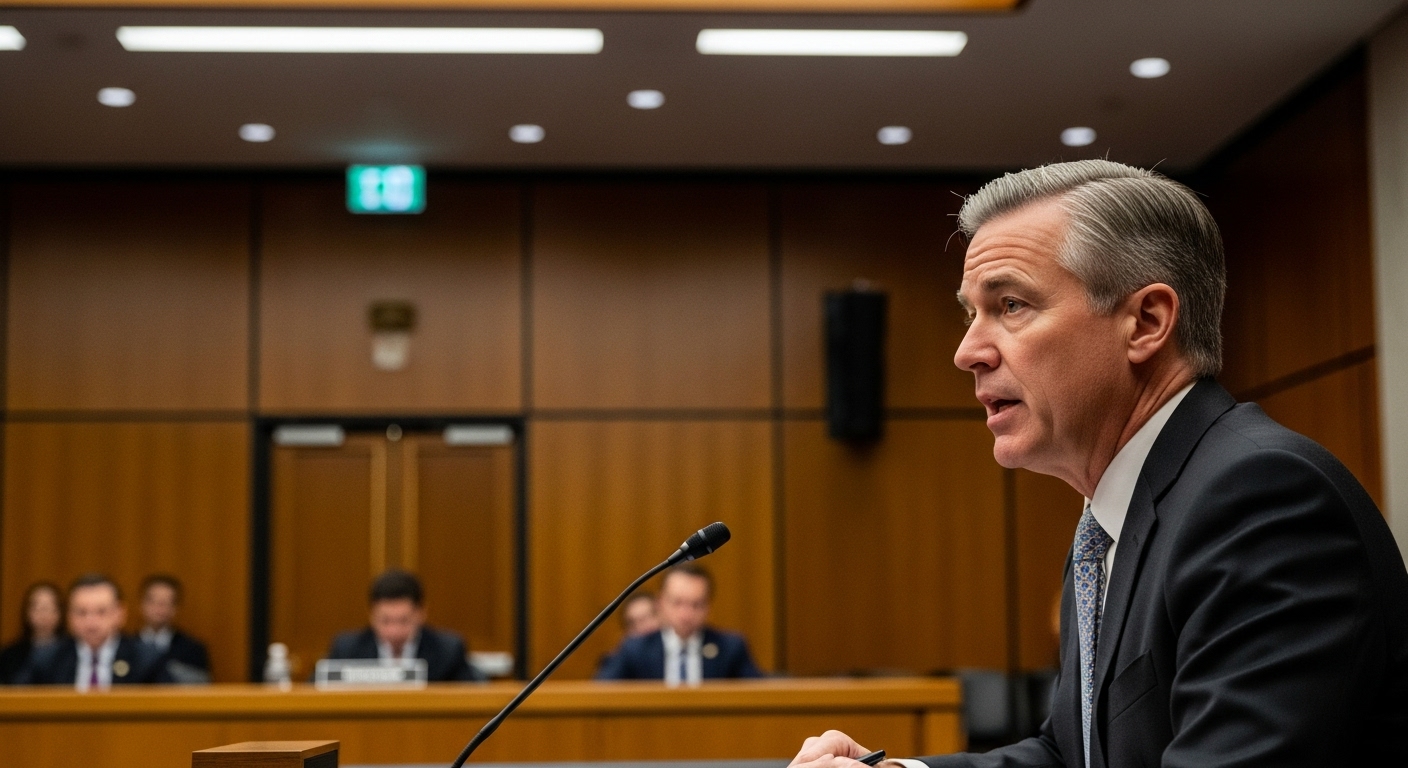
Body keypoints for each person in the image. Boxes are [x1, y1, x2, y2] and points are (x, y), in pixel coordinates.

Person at [788, 160, 1408, 768]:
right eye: (970, 313)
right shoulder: (1111, 523)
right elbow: (1071, 753)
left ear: (1146, 322)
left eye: (1011, 305)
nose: (967, 351)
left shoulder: (1261, 502)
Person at [595, 564, 762, 683]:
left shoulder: (730, 648)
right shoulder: (636, 649)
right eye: (677, 603)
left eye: (696, 605)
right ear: (661, 603)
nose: (686, 614)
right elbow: (601, 693)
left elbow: (758, 695)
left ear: (708, 607)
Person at [323, 569, 481, 682]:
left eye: (404, 621)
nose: (394, 631)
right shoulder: (346, 650)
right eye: (385, 621)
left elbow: (472, 699)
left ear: (421, 613)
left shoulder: (448, 651)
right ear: (371, 616)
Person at [21, 574, 172, 688]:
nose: (91, 623)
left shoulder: (146, 659)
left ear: (120, 614)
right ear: (69, 616)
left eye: (101, 612)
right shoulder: (48, 659)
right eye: (82, 612)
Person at [138, 574, 211, 683]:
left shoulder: (192, 649)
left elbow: (201, 686)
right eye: (153, 601)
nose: (159, 608)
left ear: (175, 608)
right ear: (142, 604)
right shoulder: (124, 646)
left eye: (166, 602)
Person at [0, 582, 65, 684]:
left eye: (49, 608)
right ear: (27, 611)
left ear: (60, 612)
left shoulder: (74, 651)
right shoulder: (10, 654)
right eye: (38, 607)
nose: (43, 614)